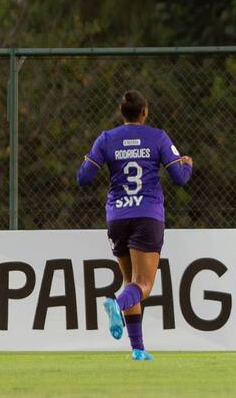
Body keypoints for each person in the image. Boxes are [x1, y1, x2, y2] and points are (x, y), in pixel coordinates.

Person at [77, 90, 193, 361]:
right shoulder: (158, 137)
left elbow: (84, 178)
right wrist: (187, 164)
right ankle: (115, 304)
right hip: (147, 214)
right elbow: (179, 178)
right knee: (144, 284)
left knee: (131, 282)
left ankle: (138, 349)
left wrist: (90, 159)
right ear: (145, 112)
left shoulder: (106, 138)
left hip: (117, 216)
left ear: (122, 113)